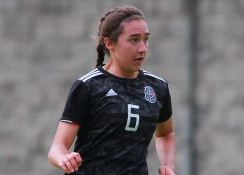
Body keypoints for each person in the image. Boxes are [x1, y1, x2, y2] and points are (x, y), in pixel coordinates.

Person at [48, 6, 176, 175]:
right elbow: (57, 148)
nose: (143, 48)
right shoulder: (88, 86)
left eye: (145, 39)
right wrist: (64, 158)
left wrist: (167, 164)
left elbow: (165, 134)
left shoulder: (157, 87)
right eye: (134, 40)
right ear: (109, 43)